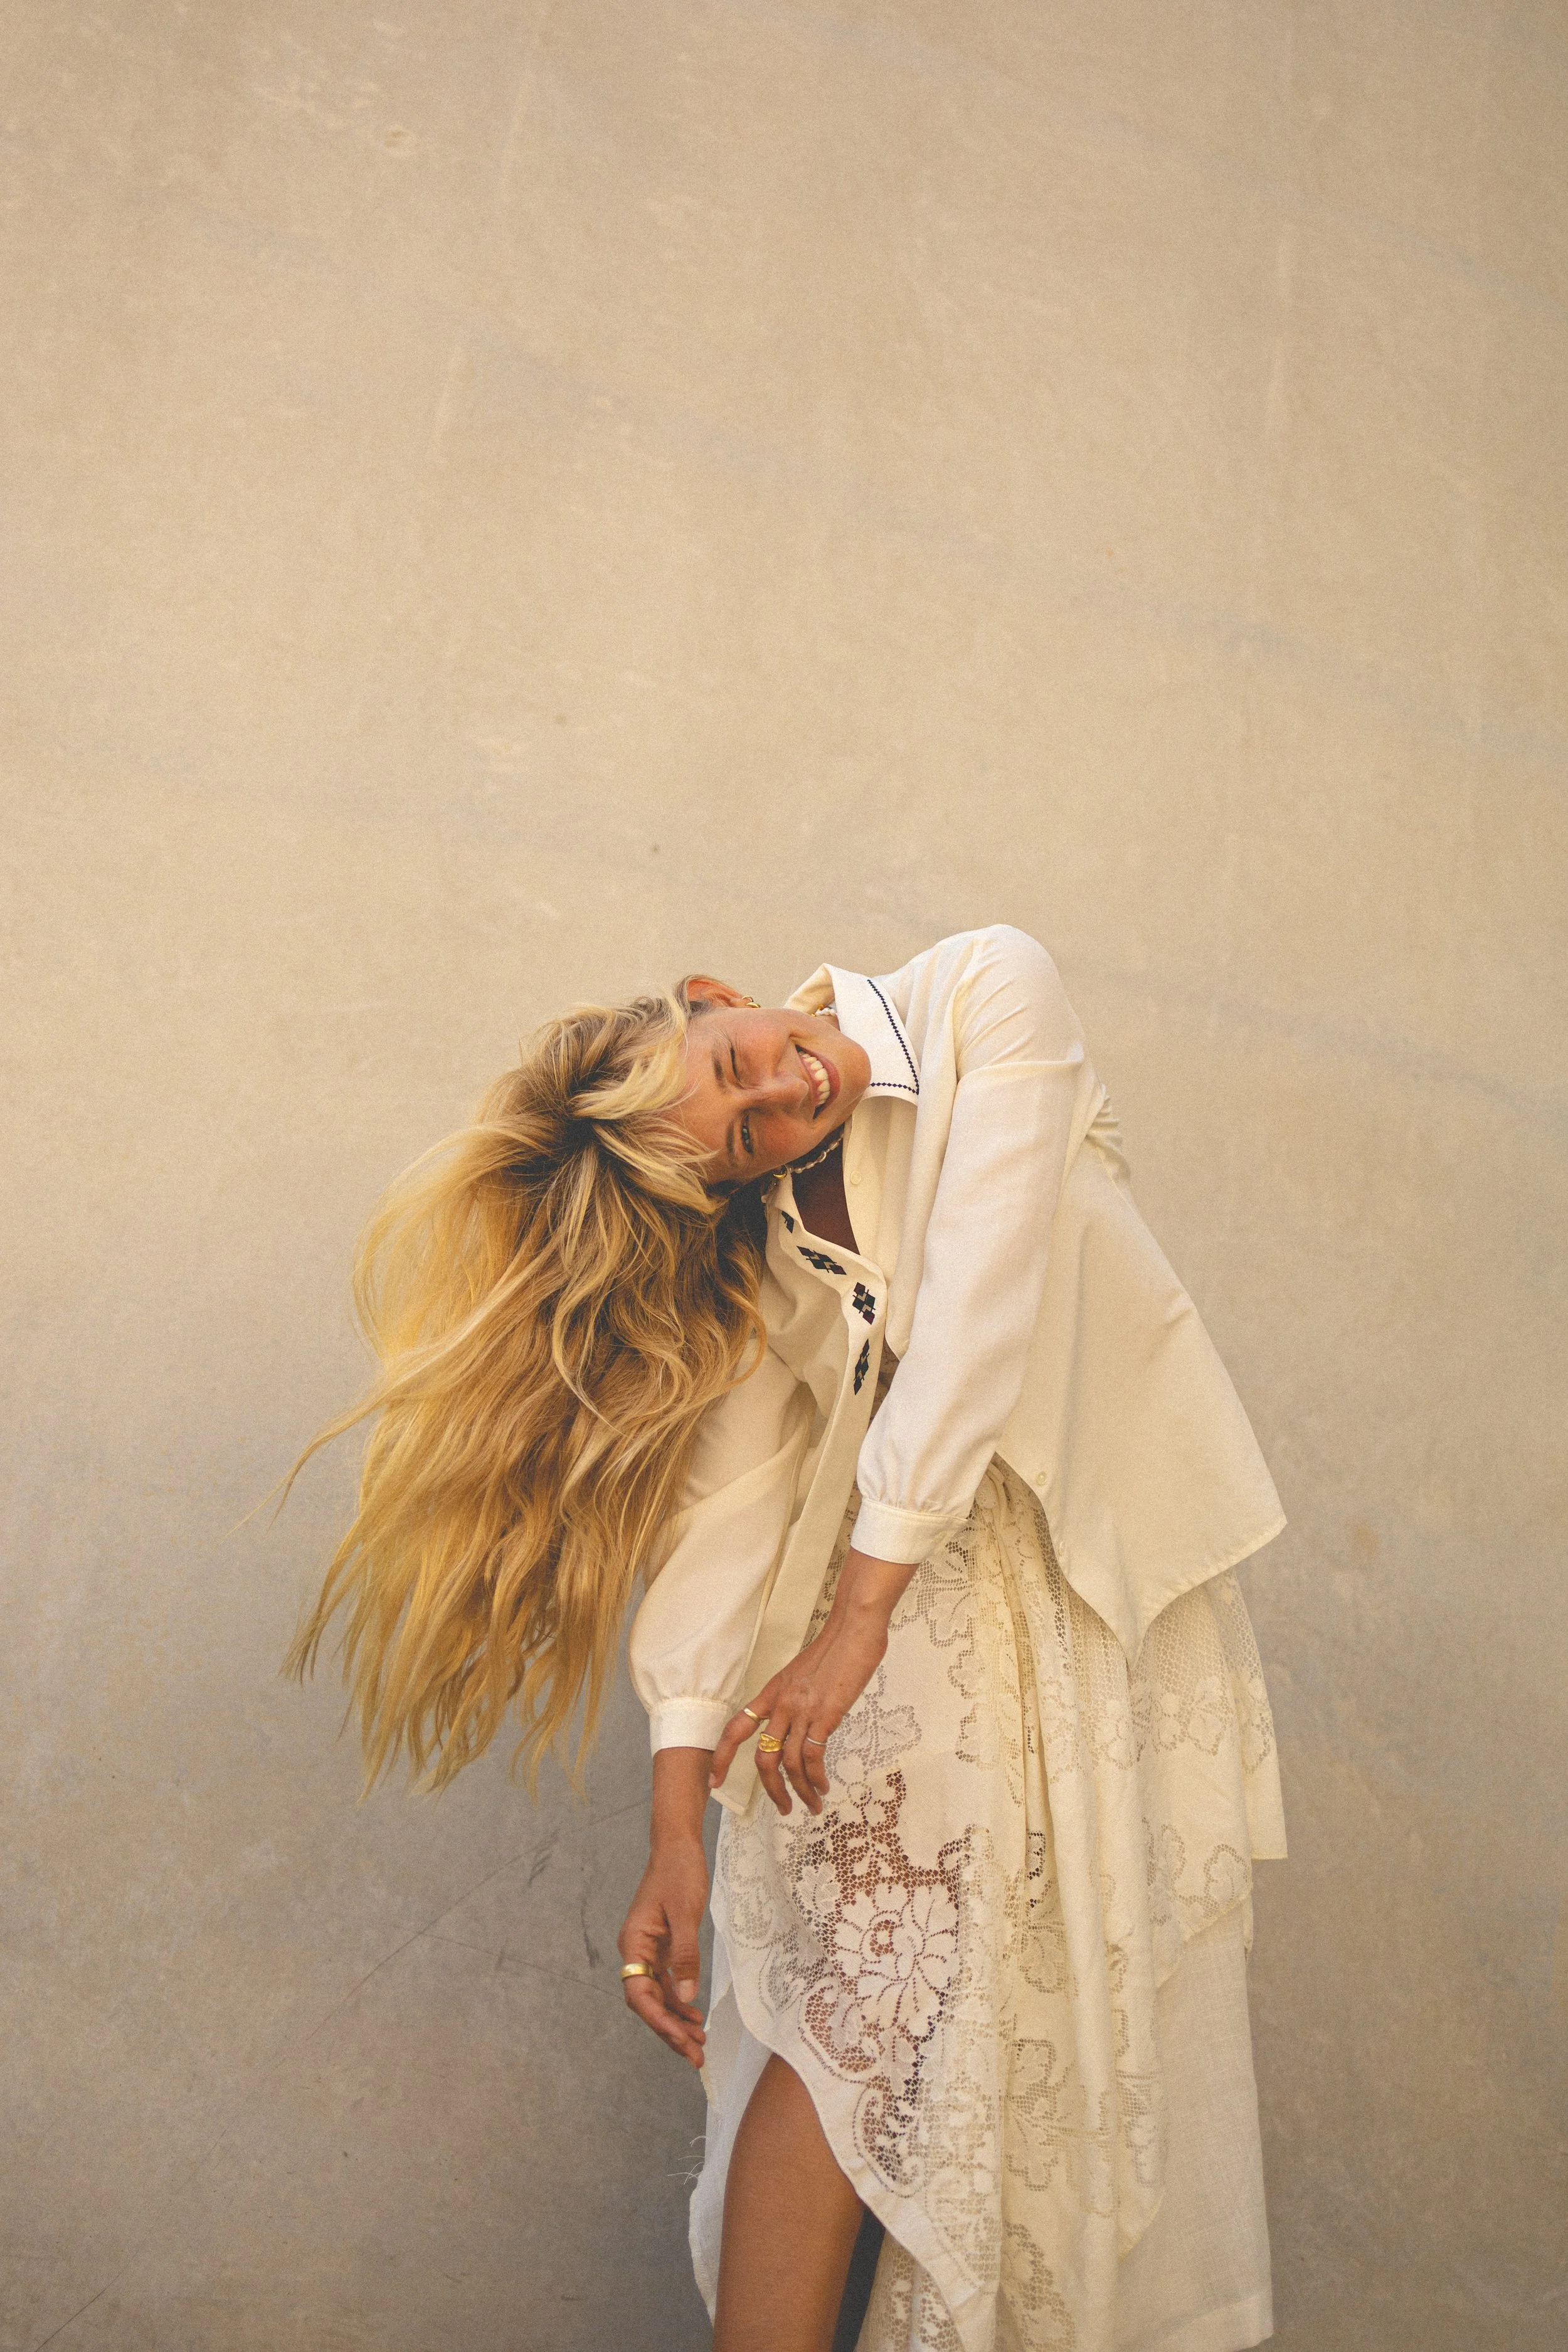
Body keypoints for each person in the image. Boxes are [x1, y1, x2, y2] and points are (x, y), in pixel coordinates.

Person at [288, 924, 1287, 2352]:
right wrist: (675, 1816)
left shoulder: (985, 993)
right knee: (856, 2007)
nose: (783, 1099)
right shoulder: (757, 1222)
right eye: (742, 1137)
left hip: (1074, 1585)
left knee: (1028, 2026)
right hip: (893, 1603)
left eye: (741, 1063)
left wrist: (856, 1625)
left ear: (711, 993)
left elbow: (978, 1318)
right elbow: (736, 1502)